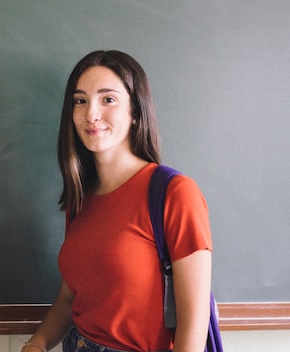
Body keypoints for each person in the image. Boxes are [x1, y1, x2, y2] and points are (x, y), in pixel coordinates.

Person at [21, 51, 213, 352]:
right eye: (80, 100)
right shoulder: (80, 200)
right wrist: (38, 343)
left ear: (135, 111)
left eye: (107, 99)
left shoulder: (175, 193)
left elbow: (193, 324)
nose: (91, 114)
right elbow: (69, 298)